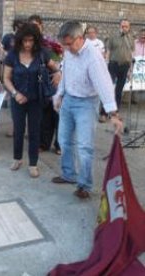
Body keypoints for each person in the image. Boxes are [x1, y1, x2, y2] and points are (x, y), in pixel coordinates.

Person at [52, 21, 123, 199]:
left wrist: (113, 113)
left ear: (80, 38)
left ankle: (84, 185)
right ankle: (68, 174)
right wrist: (59, 95)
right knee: (64, 140)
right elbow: (65, 73)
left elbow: (104, 84)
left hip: (87, 103)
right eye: (64, 44)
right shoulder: (69, 52)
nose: (66, 48)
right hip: (68, 99)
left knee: (85, 147)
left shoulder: (93, 56)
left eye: (69, 44)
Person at [3, 23, 61, 178]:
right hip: (18, 100)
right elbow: (6, 78)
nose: (28, 44)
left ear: (36, 40)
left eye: (31, 41)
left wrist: (57, 73)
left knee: (35, 131)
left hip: (36, 99)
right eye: (25, 41)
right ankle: (17, 159)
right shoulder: (12, 55)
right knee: (19, 130)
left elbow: (55, 68)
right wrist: (15, 93)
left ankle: (33, 164)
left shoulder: (42, 53)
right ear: (20, 39)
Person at [29, 14, 62, 155]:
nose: (34, 28)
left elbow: (60, 60)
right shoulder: (27, 42)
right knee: (43, 116)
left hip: (53, 80)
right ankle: (44, 143)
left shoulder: (50, 43)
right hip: (38, 83)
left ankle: (59, 144)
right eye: (32, 26)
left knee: (57, 114)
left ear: (41, 26)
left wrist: (59, 72)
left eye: (37, 25)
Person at [106, 19, 135, 109]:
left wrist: (131, 69)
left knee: (119, 90)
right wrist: (107, 63)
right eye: (123, 26)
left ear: (129, 28)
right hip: (114, 64)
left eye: (126, 26)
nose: (124, 28)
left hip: (125, 65)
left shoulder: (130, 38)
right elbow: (108, 50)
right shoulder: (113, 36)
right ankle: (104, 112)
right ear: (120, 26)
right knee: (109, 88)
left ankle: (116, 109)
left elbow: (132, 53)